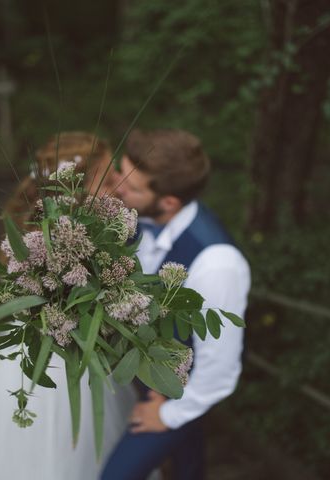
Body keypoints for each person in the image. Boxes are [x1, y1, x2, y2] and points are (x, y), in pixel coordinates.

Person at [0, 132, 135, 480]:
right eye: (108, 177)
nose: (118, 186)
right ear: (79, 182)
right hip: (52, 357)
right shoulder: (65, 234)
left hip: (41, 349)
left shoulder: (63, 225)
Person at [102, 129, 251, 480]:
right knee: (188, 466)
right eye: (120, 171)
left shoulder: (217, 264)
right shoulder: (138, 217)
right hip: (147, 375)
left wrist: (169, 414)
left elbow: (220, 369)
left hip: (181, 394)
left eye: (133, 186)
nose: (118, 186)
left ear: (168, 202)